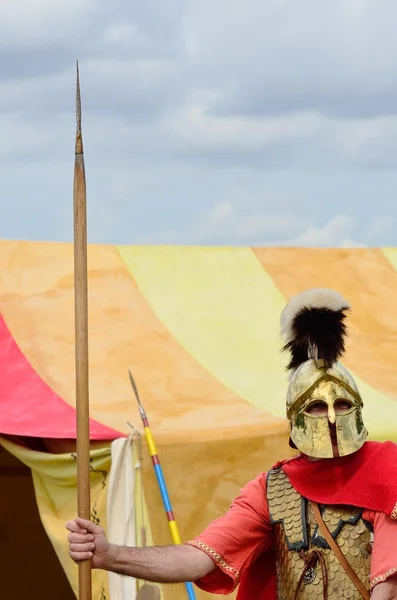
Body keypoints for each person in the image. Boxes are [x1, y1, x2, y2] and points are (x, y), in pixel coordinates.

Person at [67, 289, 397, 599]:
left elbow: (389, 581)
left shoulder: (388, 470)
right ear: (295, 416)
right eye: (315, 406)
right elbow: (198, 557)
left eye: (342, 404)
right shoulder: (272, 490)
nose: (330, 417)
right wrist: (109, 554)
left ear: (358, 407)